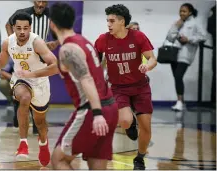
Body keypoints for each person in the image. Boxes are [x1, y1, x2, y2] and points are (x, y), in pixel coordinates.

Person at [47, 2, 118, 170]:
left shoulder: (68, 49)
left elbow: (86, 79)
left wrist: (97, 113)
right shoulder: (83, 41)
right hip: (111, 108)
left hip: (91, 110)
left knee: (59, 160)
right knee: (96, 162)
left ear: (52, 24)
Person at [0, 12, 58, 166]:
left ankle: (43, 144)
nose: (22, 32)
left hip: (40, 81)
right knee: (23, 98)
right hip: (21, 79)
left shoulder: (37, 42)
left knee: (40, 122)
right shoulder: (8, 43)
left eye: (25, 28)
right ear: (13, 28)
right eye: (18, 28)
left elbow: (55, 66)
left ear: (30, 28)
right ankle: (23, 143)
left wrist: (32, 73)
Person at [94, 4, 158, 170]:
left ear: (122, 22)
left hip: (140, 87)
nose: (108, 24)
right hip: (118, 88)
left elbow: (152, 58)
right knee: (124, 121)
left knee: (146, 126)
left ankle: (140, 157)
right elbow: (95, 61)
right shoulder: (103, 39)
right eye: (107, 20)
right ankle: (131, 124)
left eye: (111, 21)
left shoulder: (138, 37)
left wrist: (148, 66)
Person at [6, 1, 58, 134]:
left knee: (40, 88)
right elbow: (8, 25)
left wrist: (55, 42)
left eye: (44, 1)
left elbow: (61, 31)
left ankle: (37, 124)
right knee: (22, 87)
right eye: (38, 0)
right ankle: (19, 117)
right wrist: (14, 42)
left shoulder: (51, 14)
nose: (40, 4)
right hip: (23, 53)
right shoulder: (23, 13)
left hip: (39, 54)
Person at [165, 3, 206, 111]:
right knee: (177, 78)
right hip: (174, 54)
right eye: (180, 11)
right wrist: (176, 27)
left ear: (190, 12)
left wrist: (189, 39)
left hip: (186, 54)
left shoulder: (196, 23)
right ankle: (181, 102)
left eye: (184, 11)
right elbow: (169, 37)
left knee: (178, 76)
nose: (181, 13)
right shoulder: (178, 23)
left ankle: (179, 102)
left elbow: (203, 36)